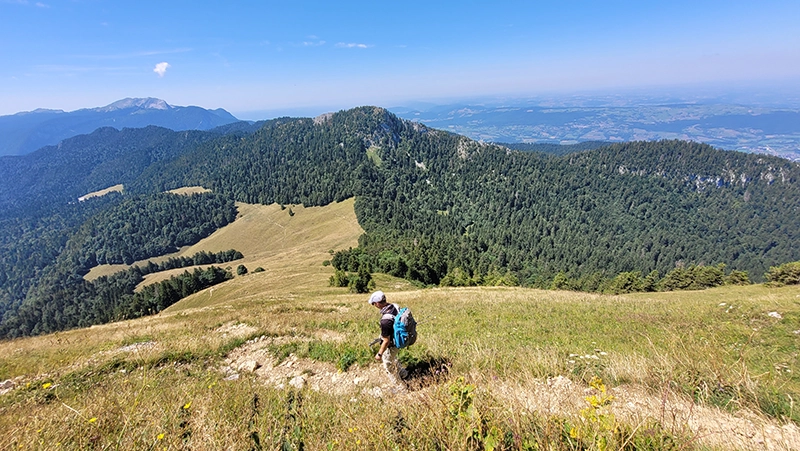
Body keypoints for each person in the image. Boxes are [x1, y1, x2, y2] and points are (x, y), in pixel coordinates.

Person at [368, 290, 408, 388]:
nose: (374, 306)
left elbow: (386, 341)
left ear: (378, 303)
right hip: (399, 338)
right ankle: (403, 373)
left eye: (373, 304)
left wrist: (379, 354)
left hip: (392, 344)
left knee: (388, 364)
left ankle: (400, 388)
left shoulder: (385, 321)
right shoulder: (395, 306)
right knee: (392, 358)